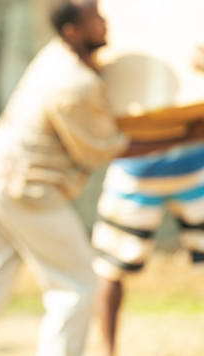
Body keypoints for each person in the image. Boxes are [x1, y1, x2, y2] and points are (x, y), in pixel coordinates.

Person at [0, 0, 204, 356]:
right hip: (29, 191)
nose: (105, 23)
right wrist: (187, 133)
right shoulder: (75, 85)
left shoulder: (58, 54)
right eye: (96, 19)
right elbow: (110, 149)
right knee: (76, 286)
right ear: (73, 30)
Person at [91, 45, 204, 356]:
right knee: (111, 266)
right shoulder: (124, 34)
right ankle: (108, 350)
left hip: (193, 166)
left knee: (110, 269)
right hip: (137, 168)